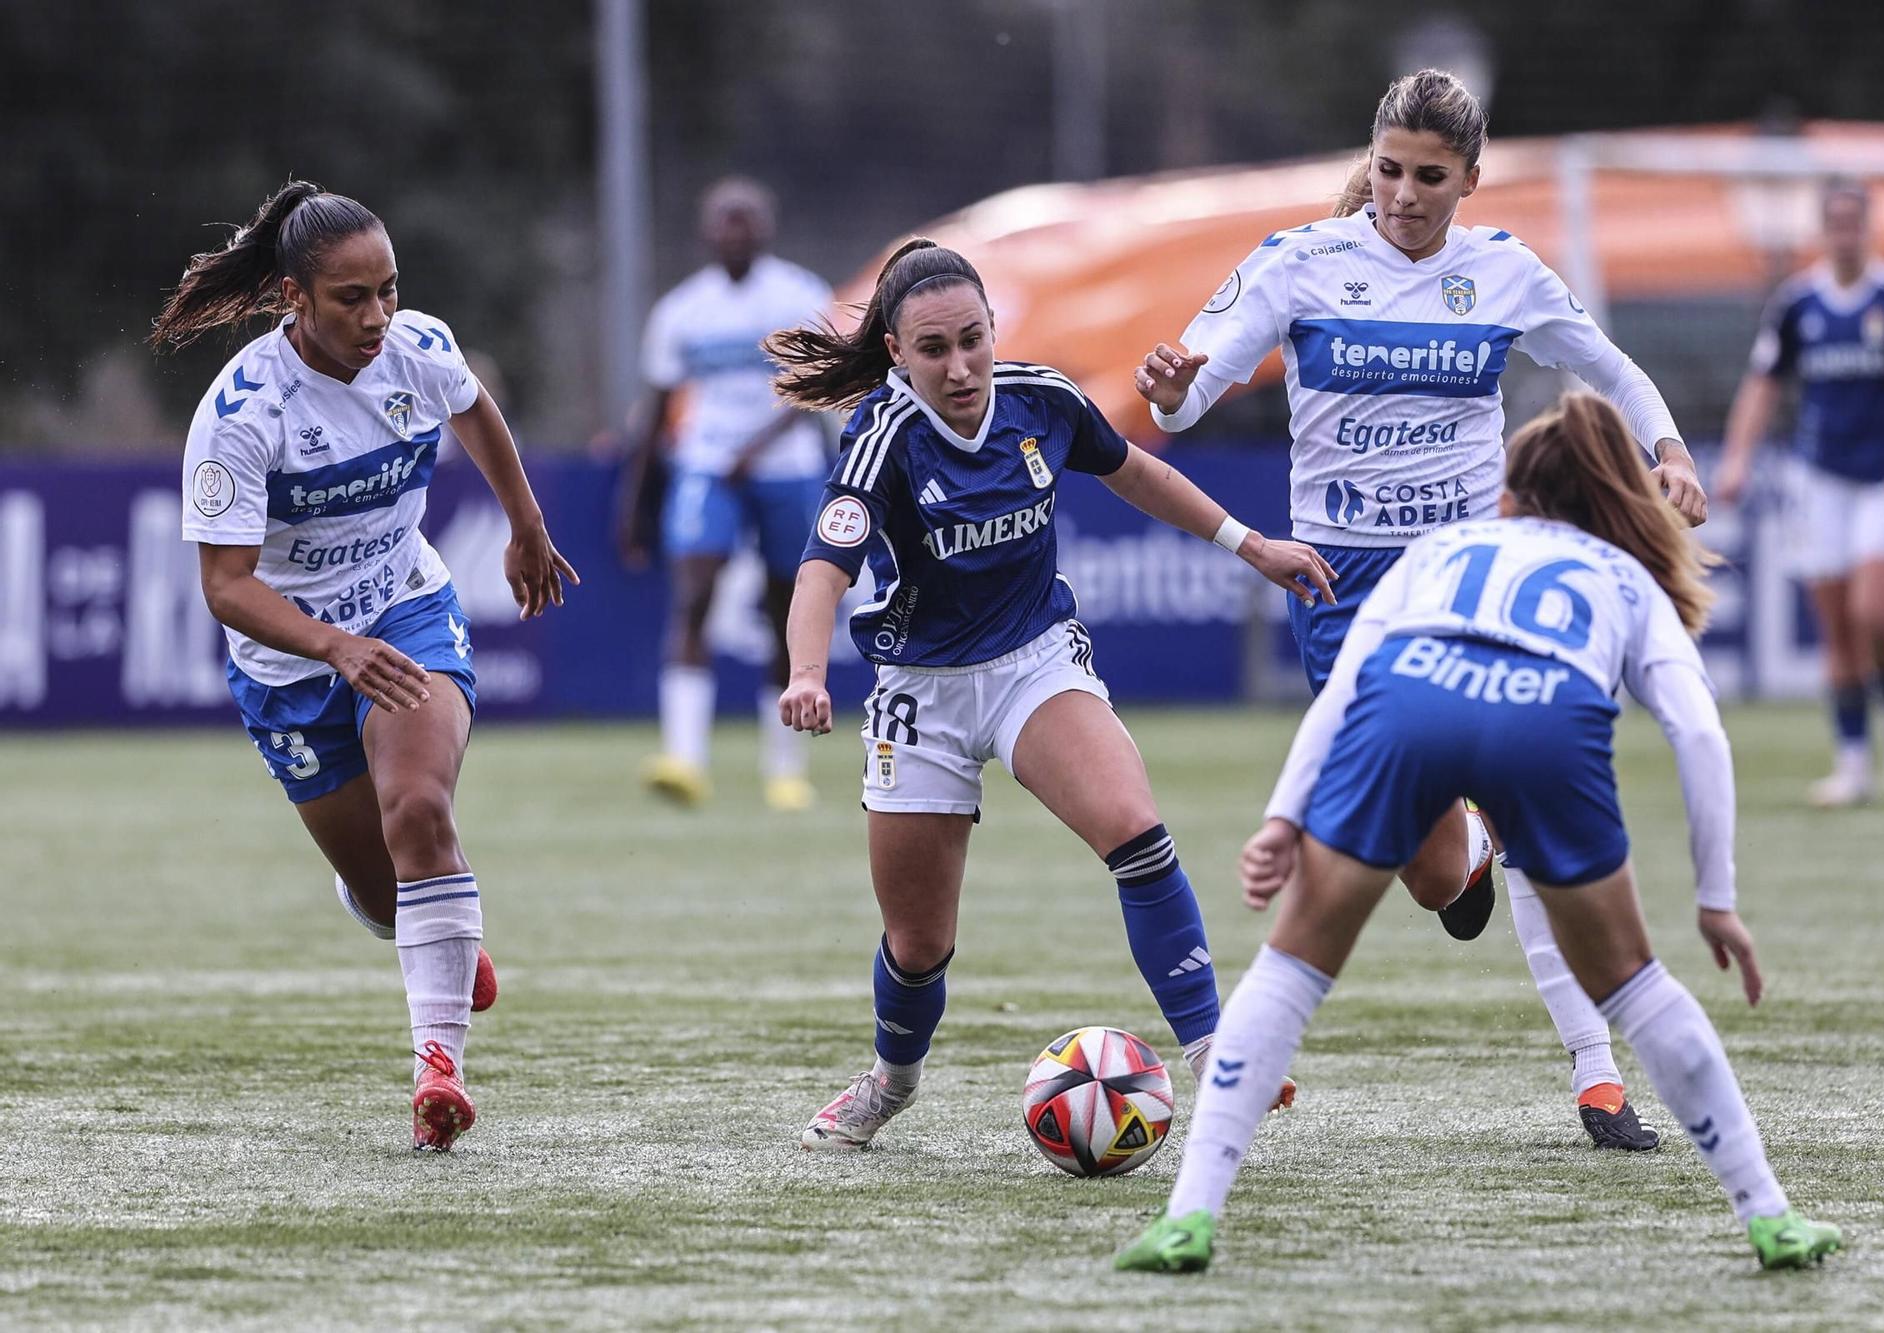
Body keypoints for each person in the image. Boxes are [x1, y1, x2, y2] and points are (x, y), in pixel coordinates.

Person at [1114, 393, 1843, 1275]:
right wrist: (1717, 900)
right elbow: (1696, 730)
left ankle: (1188, 1218)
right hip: (1544, 725)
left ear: (1510, 492)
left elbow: (1348, 684)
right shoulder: (1623, 577)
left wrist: (1283, 816)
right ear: (1618, 498)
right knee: (1639, 987)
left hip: (1409, 708)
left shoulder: (1443, 548)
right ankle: (1769, 1216)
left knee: (1290, 968)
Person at [1134, 68, 1708, 1151]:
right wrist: (1168, 383)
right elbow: (1189, 386)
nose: (1401, 193)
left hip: (1468, 576)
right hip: (1339, 587)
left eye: (1428, 178)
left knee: (1530, 796)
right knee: (1437, 870)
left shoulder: (1500, 272)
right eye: (1389, 170)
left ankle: (1596, 1078)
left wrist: (1667, 447)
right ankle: (1470, 850)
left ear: (1468, 181)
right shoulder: (1300, 260)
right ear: (1372, 160)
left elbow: (1610, 370)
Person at [766, 239, 1336, 1150]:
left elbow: (1137, 472)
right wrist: (803, 672)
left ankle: (1213, 1049)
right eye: (934, 349)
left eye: (973, 340)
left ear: (996, 330)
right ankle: (890, 1080)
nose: (960, 367)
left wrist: (1250, 543)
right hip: (922, 692)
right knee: (917, 945)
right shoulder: (884, 438)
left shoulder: (1044, 399)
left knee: (1136, 831)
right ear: (898, 355)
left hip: (1035, 658)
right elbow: (822, 569)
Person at [153, 181, 578, 1151]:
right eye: (352, 298)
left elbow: (475, 412)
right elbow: (225, 585)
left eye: (388, 289)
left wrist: (525, 522)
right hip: (289, 664)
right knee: (389, 894)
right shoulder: (240, 415)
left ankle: (439, 1071)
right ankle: (434, 927)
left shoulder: (416, 348)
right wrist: (333, 647)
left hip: (405, 609)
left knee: (419, 811)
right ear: (292, 298)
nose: (377, 316)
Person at [1715, 179, 1884, 807]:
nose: (1845, 233)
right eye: (1835, 222)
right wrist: (1737, 458)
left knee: (1874, 612)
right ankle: (1852, 765)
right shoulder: (1796, 304)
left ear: (1869, 226)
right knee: (1838, 625)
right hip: (1817, 478)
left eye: (1854, 222)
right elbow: (1763, 386)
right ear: (1822, 229)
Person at [617, 178, 833, 812]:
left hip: (785, 469)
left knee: (784, 611)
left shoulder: (798, 295)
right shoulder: (682, 311)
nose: (736, 231)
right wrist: (635, 501)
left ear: (766, 229)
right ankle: (685, 760)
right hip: (707, 468)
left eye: (747, 220)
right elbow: (657, 410)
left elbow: (818, 388)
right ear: (707, 233)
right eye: (725, 221)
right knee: (693, 598)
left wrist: (756, 448)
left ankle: (785, 769)